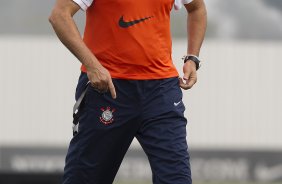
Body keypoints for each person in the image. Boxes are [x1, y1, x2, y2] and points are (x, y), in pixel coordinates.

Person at [49, 0, 207, 183]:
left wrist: (192, 57)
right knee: (85, 178)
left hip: (161, 91)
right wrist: (93, 66)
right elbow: (59, 15)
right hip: (108, 89)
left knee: (176, 179)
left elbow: (197, 8)